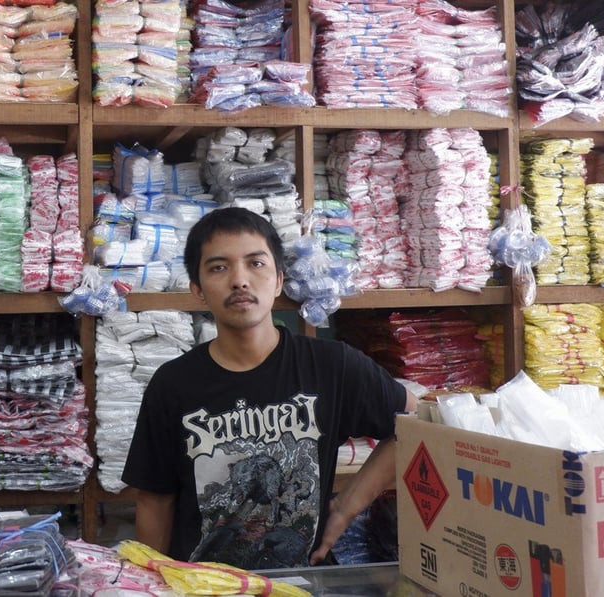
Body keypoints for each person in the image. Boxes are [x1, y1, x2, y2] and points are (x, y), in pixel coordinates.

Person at [121, 206, 418, 570]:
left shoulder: (332, 366)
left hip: (302, 585)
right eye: (218, 267)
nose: (240, 280)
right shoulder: (173, 383)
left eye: (256, 264)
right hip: (203, 587)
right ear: (197, 289)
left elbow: (415, 422)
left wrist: (348, 504)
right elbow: (155, 499)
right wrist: (152, 582)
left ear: (279, 280)